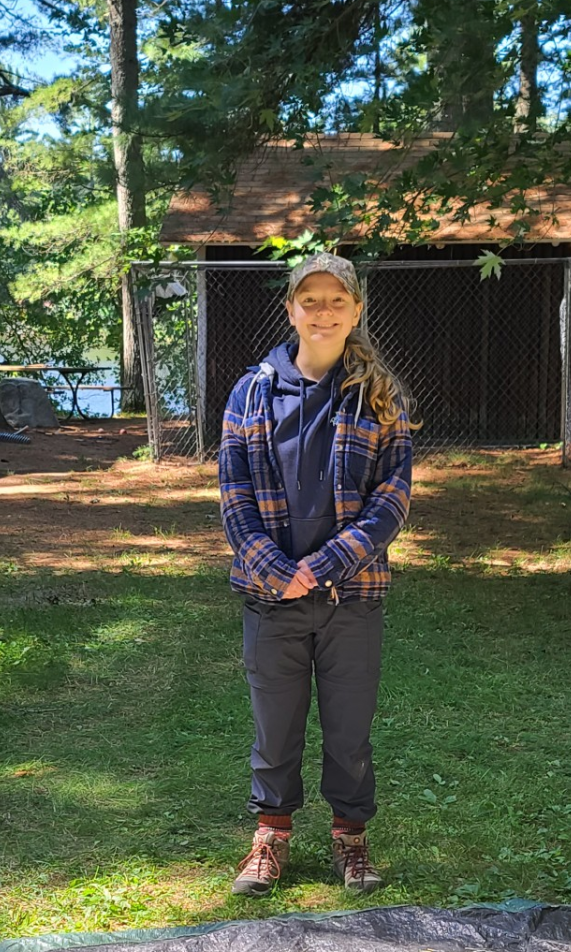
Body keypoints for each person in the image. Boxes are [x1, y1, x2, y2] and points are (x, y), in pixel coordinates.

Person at [218, 250, 414, 896]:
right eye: (310, 300)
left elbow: (392, 499)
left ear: (355, 311)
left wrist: (327, 564)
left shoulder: (380, 397)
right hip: (270, 599)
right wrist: (276, 571)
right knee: (274, 731)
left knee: (349, 732)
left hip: (351, 597)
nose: (322, 312)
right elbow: (234, 495)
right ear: (290, 310)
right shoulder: (251, 392)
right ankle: (269, 836)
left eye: (336, 301)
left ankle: (350, 839)